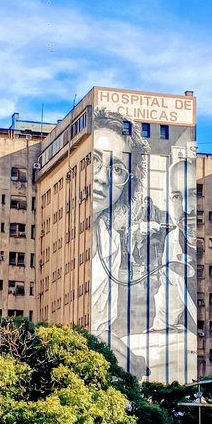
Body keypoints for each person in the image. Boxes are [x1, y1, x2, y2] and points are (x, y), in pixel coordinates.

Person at [89, 110, 148, 377]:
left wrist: (131, 361)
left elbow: (98, 328)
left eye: (117, 169)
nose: (102, 177)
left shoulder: (109, 242)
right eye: (94, 161)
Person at [152, 158, 197, 332]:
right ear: (167, 203)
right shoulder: (172, 242)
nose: (187, 207)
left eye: (194, 193)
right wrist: (158, 330)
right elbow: (169, 304)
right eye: (176, 197)